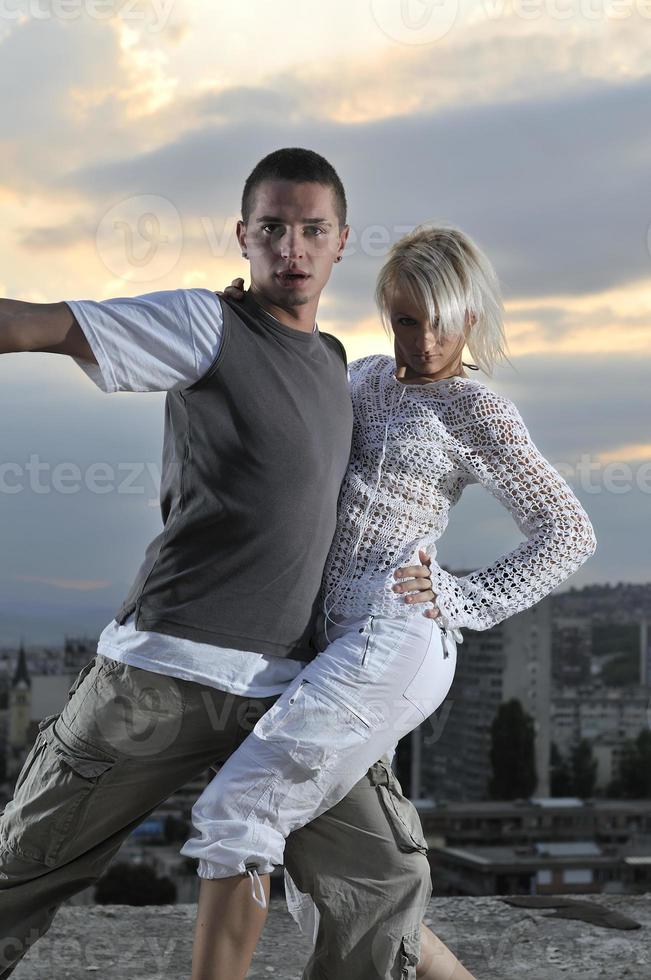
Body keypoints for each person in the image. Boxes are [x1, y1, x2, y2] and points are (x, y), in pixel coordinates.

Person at [0, 148, 446, 980]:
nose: (292, 249)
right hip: (159, 678)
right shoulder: (204, 324)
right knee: (21, 871)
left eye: (311, 230)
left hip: (289, 695)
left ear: (340, 240)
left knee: (381, 881)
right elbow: (39, 323)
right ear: (244, 236)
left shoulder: (336, 363)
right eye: (272, 229)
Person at [179, 223, 598, 980]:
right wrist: (243, 325)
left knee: (235, 811)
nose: (424, 340)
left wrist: (461, 594)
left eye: (441, 319)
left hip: (394, 639)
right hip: (330, 640)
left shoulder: (477, 411)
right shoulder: (363, 377)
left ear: (469, 317)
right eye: (407, 318)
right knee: (335, 868)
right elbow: (287, 411)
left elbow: (567, 532)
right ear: (386, 315)